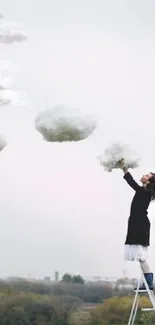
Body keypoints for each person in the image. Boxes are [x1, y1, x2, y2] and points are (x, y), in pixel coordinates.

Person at [119, 159, 155, 290]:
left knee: (140, 256)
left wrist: (124, 167)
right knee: (140, 257)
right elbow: (132, 182)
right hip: (138, 223)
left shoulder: (143, 191)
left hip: (139, 224)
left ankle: (149, 283)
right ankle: (148, 282)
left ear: (148, 181)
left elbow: (131, 181)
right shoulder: (144, 191)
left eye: (147, 176)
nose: (144, 175)